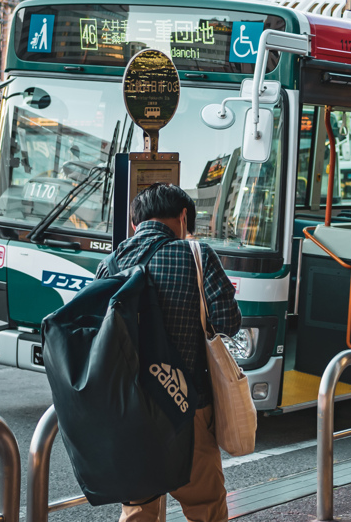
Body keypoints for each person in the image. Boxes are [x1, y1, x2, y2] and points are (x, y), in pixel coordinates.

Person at [96, 183, 242, 522]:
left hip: (130, 410)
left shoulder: (112, 262)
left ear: (135, 224)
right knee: (205, 505)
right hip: (187, 404)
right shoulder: (198, 255)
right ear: (182, 217)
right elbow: (229, 323)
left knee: (138, 510)